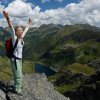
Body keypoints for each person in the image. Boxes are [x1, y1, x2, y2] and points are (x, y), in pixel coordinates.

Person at [3, 10, 32, 96]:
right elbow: (11, 27)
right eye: (19, 31)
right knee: (19, 75)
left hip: (19, 60)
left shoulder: (21, 38)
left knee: (17, 74)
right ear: (16, 32)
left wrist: (29, 23)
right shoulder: (14, 38)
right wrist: (7, 18)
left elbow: (26, 30)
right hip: (14, 60)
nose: (22, 31)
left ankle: (16, 86)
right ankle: (17, 90)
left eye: (21, 30)